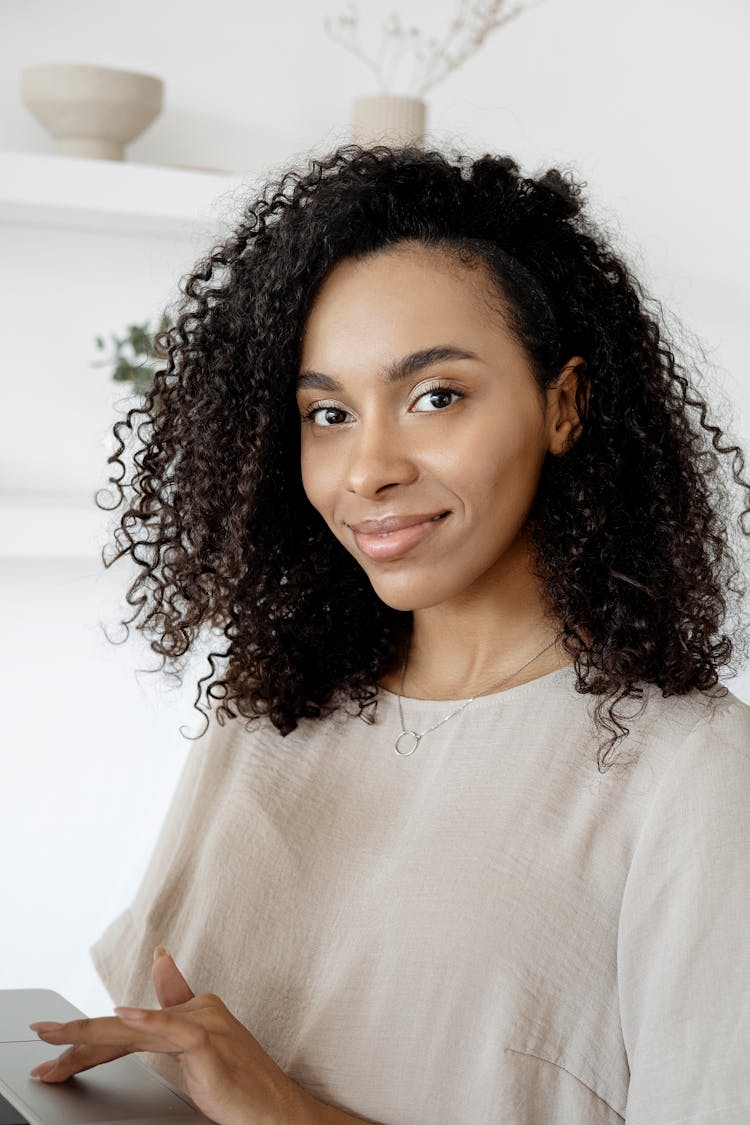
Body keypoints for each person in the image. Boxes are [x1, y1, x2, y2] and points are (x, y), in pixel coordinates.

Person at [30, 145, 750, 1123]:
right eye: (327, 413)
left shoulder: (693, 776)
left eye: (435, 396)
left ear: (564, 405)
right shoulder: (271, 709)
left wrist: (285, 1111)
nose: (366, 469)